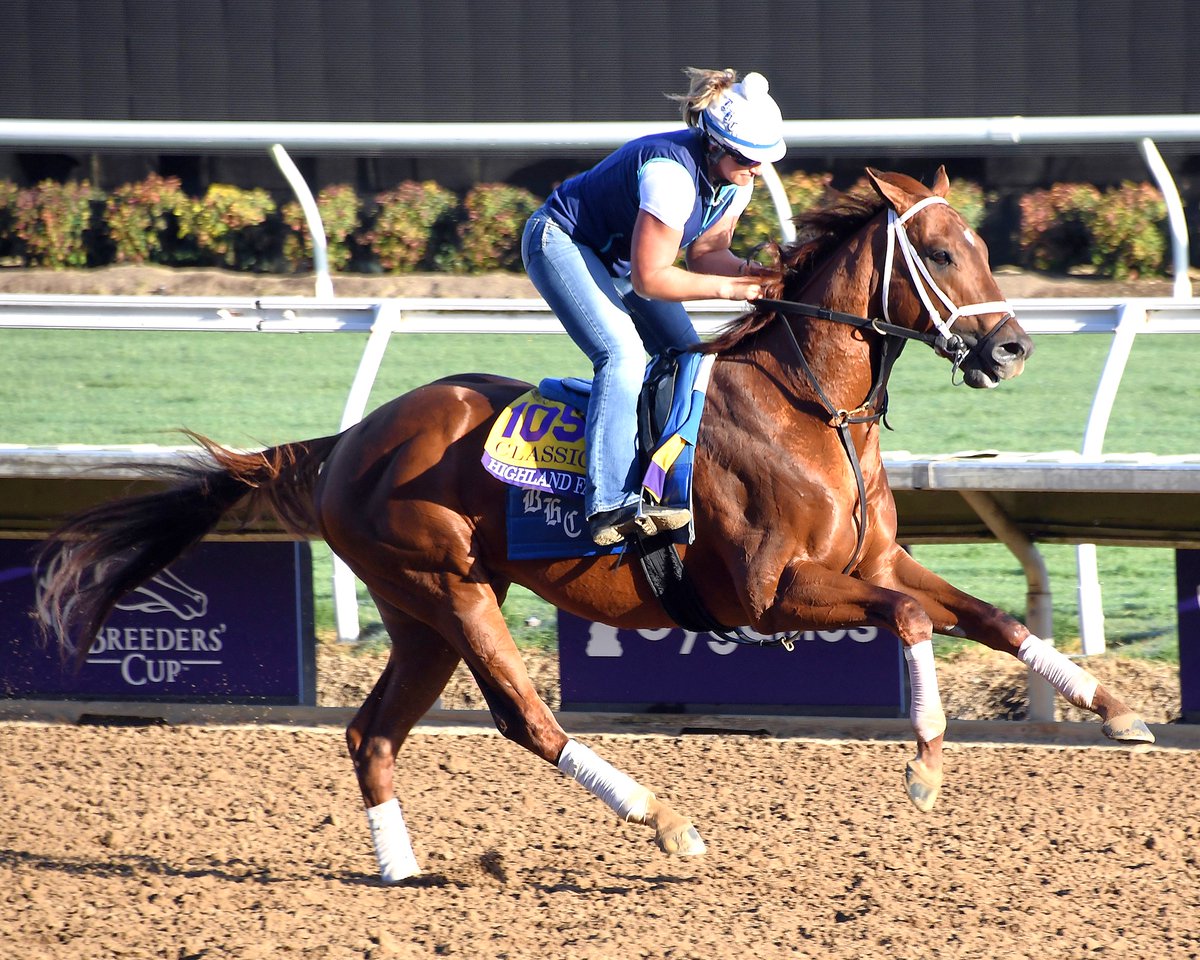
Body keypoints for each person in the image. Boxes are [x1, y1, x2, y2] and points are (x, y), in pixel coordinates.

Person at [521, 67, 787, 547]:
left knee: (689, 354)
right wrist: (733, 292)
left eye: (765, 159)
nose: (757, 169)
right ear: (716, 145)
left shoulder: (736, 181)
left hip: (618, 264)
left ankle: (662, 481)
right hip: (560, 241)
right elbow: (650, 279)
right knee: (622, 355)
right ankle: (608, 503)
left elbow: (707, 255)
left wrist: (765, 275)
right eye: (749, 158)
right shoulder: (671, 176)